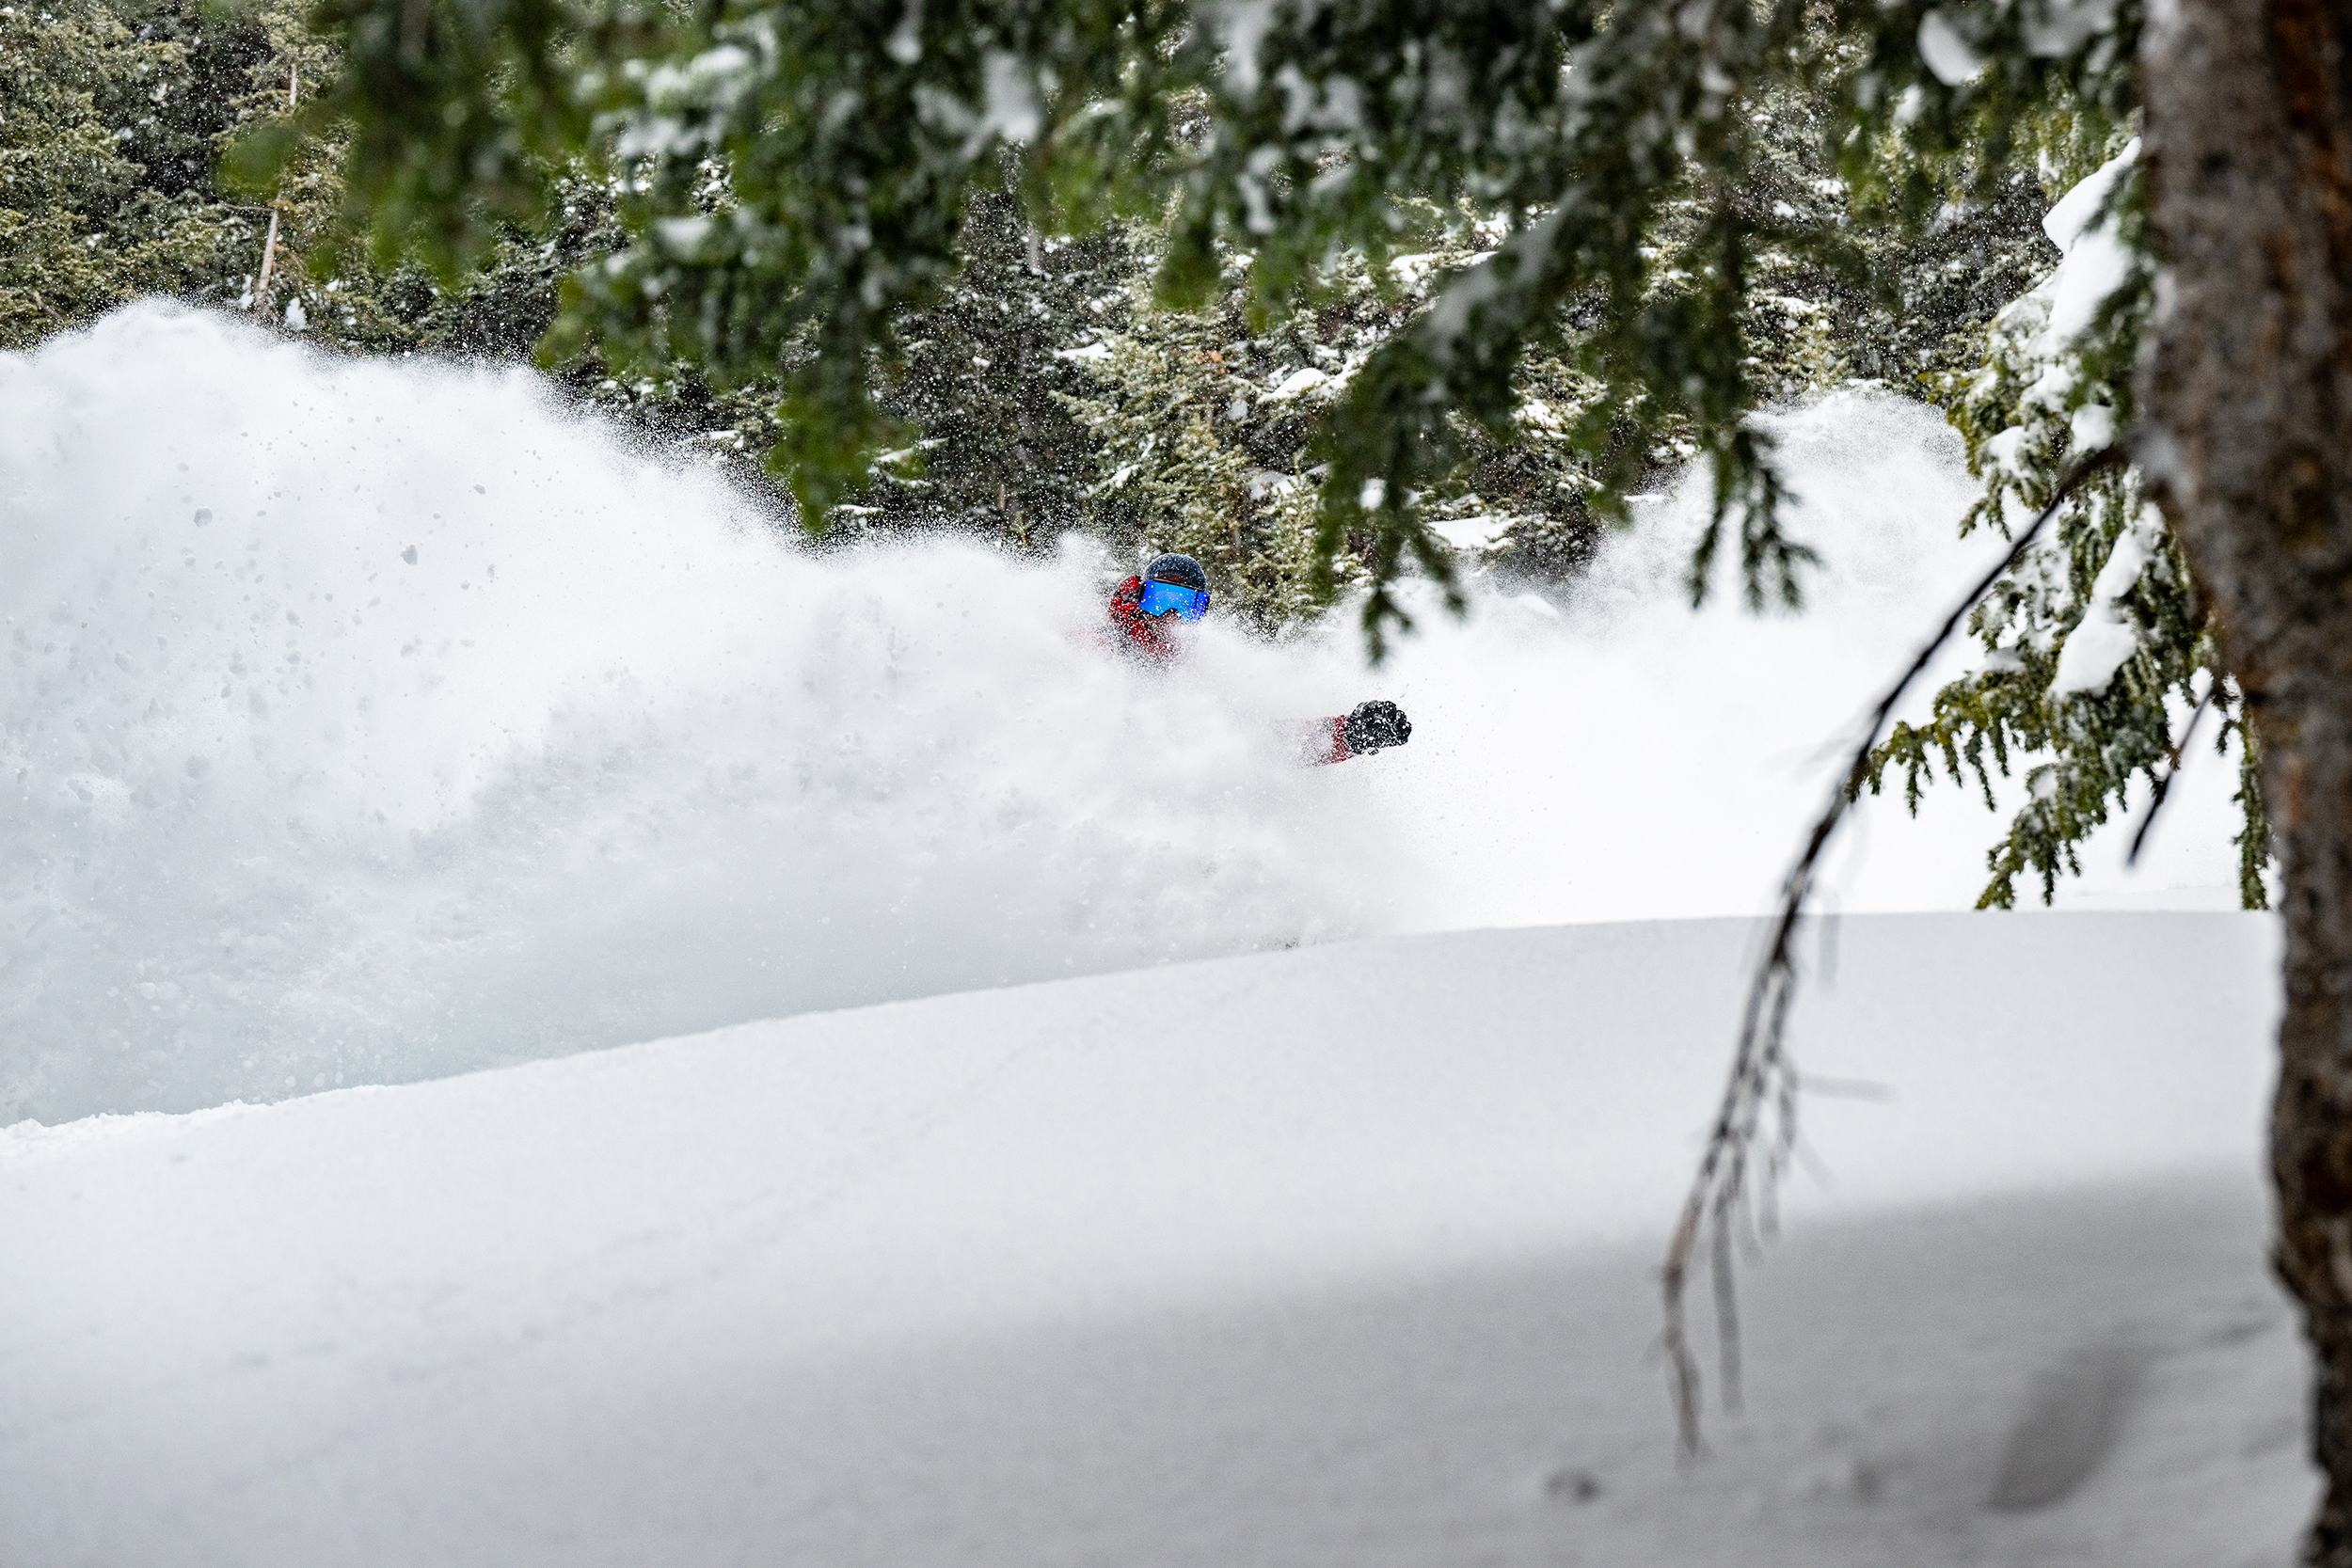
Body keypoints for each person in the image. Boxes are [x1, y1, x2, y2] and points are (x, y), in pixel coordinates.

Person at [1104, 551, 1413, 765]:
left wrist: (1349, 734)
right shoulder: (1098, 645)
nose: (1170, 616)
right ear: (1138, 597)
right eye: (1160, 600)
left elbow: (1261, 747)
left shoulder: (1196, 682)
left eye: (1186, 605)